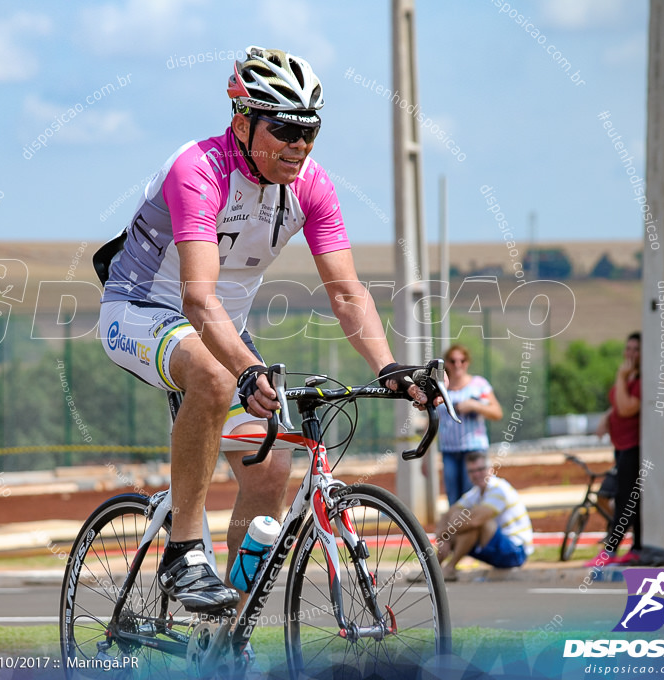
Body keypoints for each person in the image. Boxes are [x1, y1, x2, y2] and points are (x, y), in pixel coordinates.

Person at [94, 46, 438, 613]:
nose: (298, 145)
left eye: (310, 133)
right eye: (284, 130)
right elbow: (197, 298)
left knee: (273, 466)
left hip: (221, 329)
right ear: (242, 121)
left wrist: (389, 366)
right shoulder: (199, 171)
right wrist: (245, 367)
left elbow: (347, 292)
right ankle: (183, 553)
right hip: (141, 309)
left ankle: (229, 626)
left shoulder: (312, 186)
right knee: (209, 374)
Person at [586, 332, 642, 568]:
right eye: (627, 349)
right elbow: (617, 405)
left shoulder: (640, 381)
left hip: (634, 447)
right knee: (632, 500)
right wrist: (606, 417)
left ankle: (611, 550)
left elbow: (628, 408)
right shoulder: (630, 378)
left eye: (635, 350)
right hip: (621, 447)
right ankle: (636, 548)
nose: (629, 354)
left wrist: (621, 377)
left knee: (625, 499)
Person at [424, 344, 503, 506]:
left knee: (473, 497)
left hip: (474, 450)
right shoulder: (440, 388)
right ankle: (458, 531)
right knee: (454, 500)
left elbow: (497, 413)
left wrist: (475, 406)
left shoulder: (478, 384)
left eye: (462, 360)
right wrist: (424, 457)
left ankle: (474, 530)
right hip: (450, 452)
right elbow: (431, 423)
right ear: (446, 363)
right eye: (453, 361)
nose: (458, 364)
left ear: (467, 362)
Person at [436, 451, 534, 580]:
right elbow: (447, 514)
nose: (476, 474)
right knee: (457, 515)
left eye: (481, 469)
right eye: (472, 471)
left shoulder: (499, 489)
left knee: (473, 522)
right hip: (496, 548)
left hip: (516, 552)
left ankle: (449, 567)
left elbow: (475, 521)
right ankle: (435, 569)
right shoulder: (476, 492)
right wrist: (444, 538)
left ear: (491, 470)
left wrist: (444, 533)